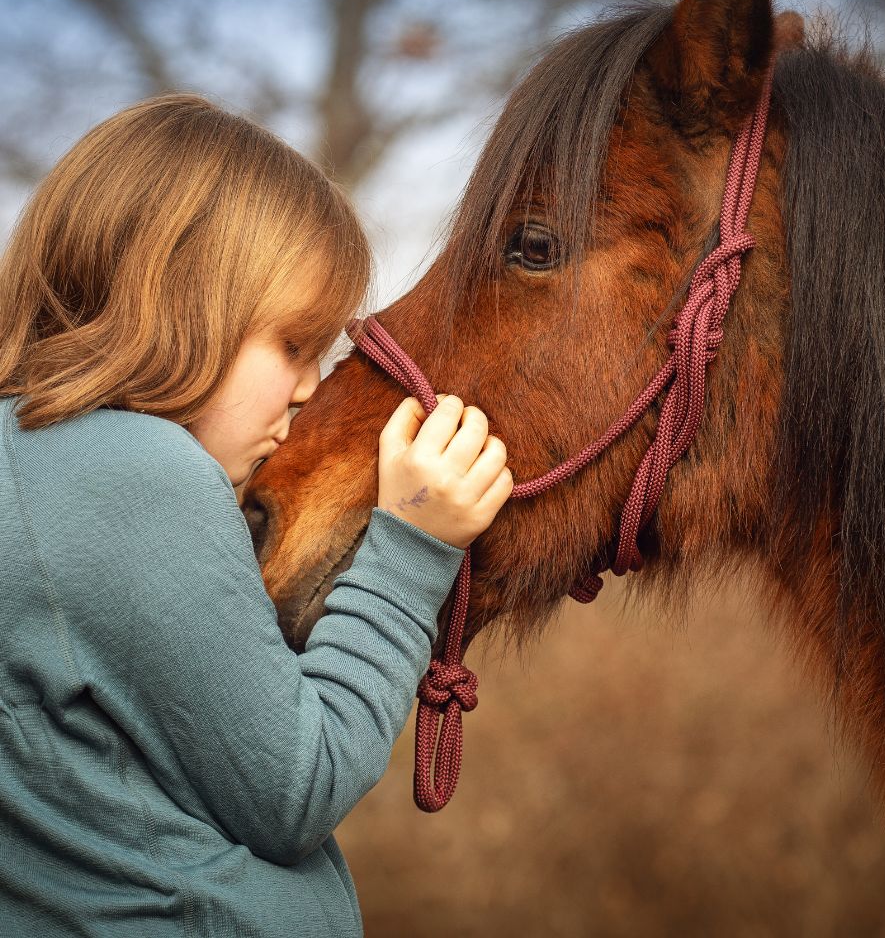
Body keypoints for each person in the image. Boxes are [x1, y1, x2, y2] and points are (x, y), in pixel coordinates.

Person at [0, 93, 513, 937]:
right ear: (181, 302)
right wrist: (412, 546)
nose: (309, 388)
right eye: (292, 345)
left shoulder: (32, 464)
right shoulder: (138, 470)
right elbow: (296, 787)